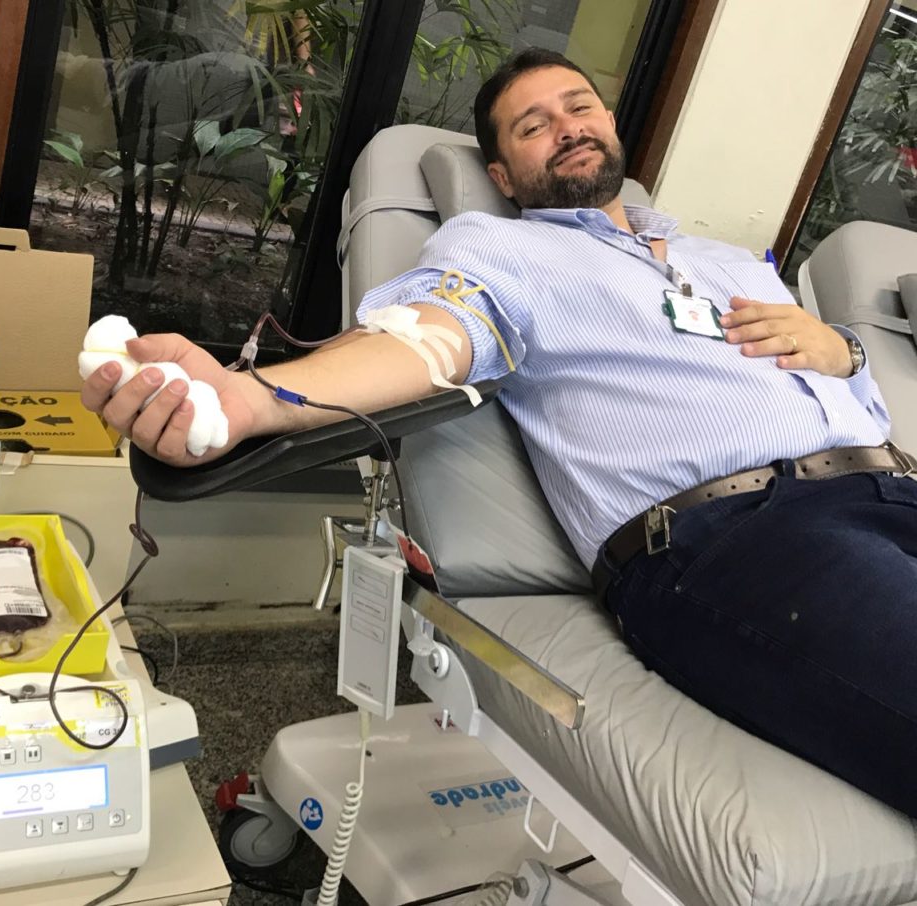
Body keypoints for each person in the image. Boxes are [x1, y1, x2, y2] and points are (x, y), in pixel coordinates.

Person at [82, 48, 917, 817]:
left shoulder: (728, 260)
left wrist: (844, 352)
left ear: (610, 125)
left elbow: (853, 397)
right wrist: (251, 399)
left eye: (579, 107)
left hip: (891, 488)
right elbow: (431, 335)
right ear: (502, 174)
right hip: (745, 534)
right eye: (533, 125)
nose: (567, 128)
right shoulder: (504, 249)